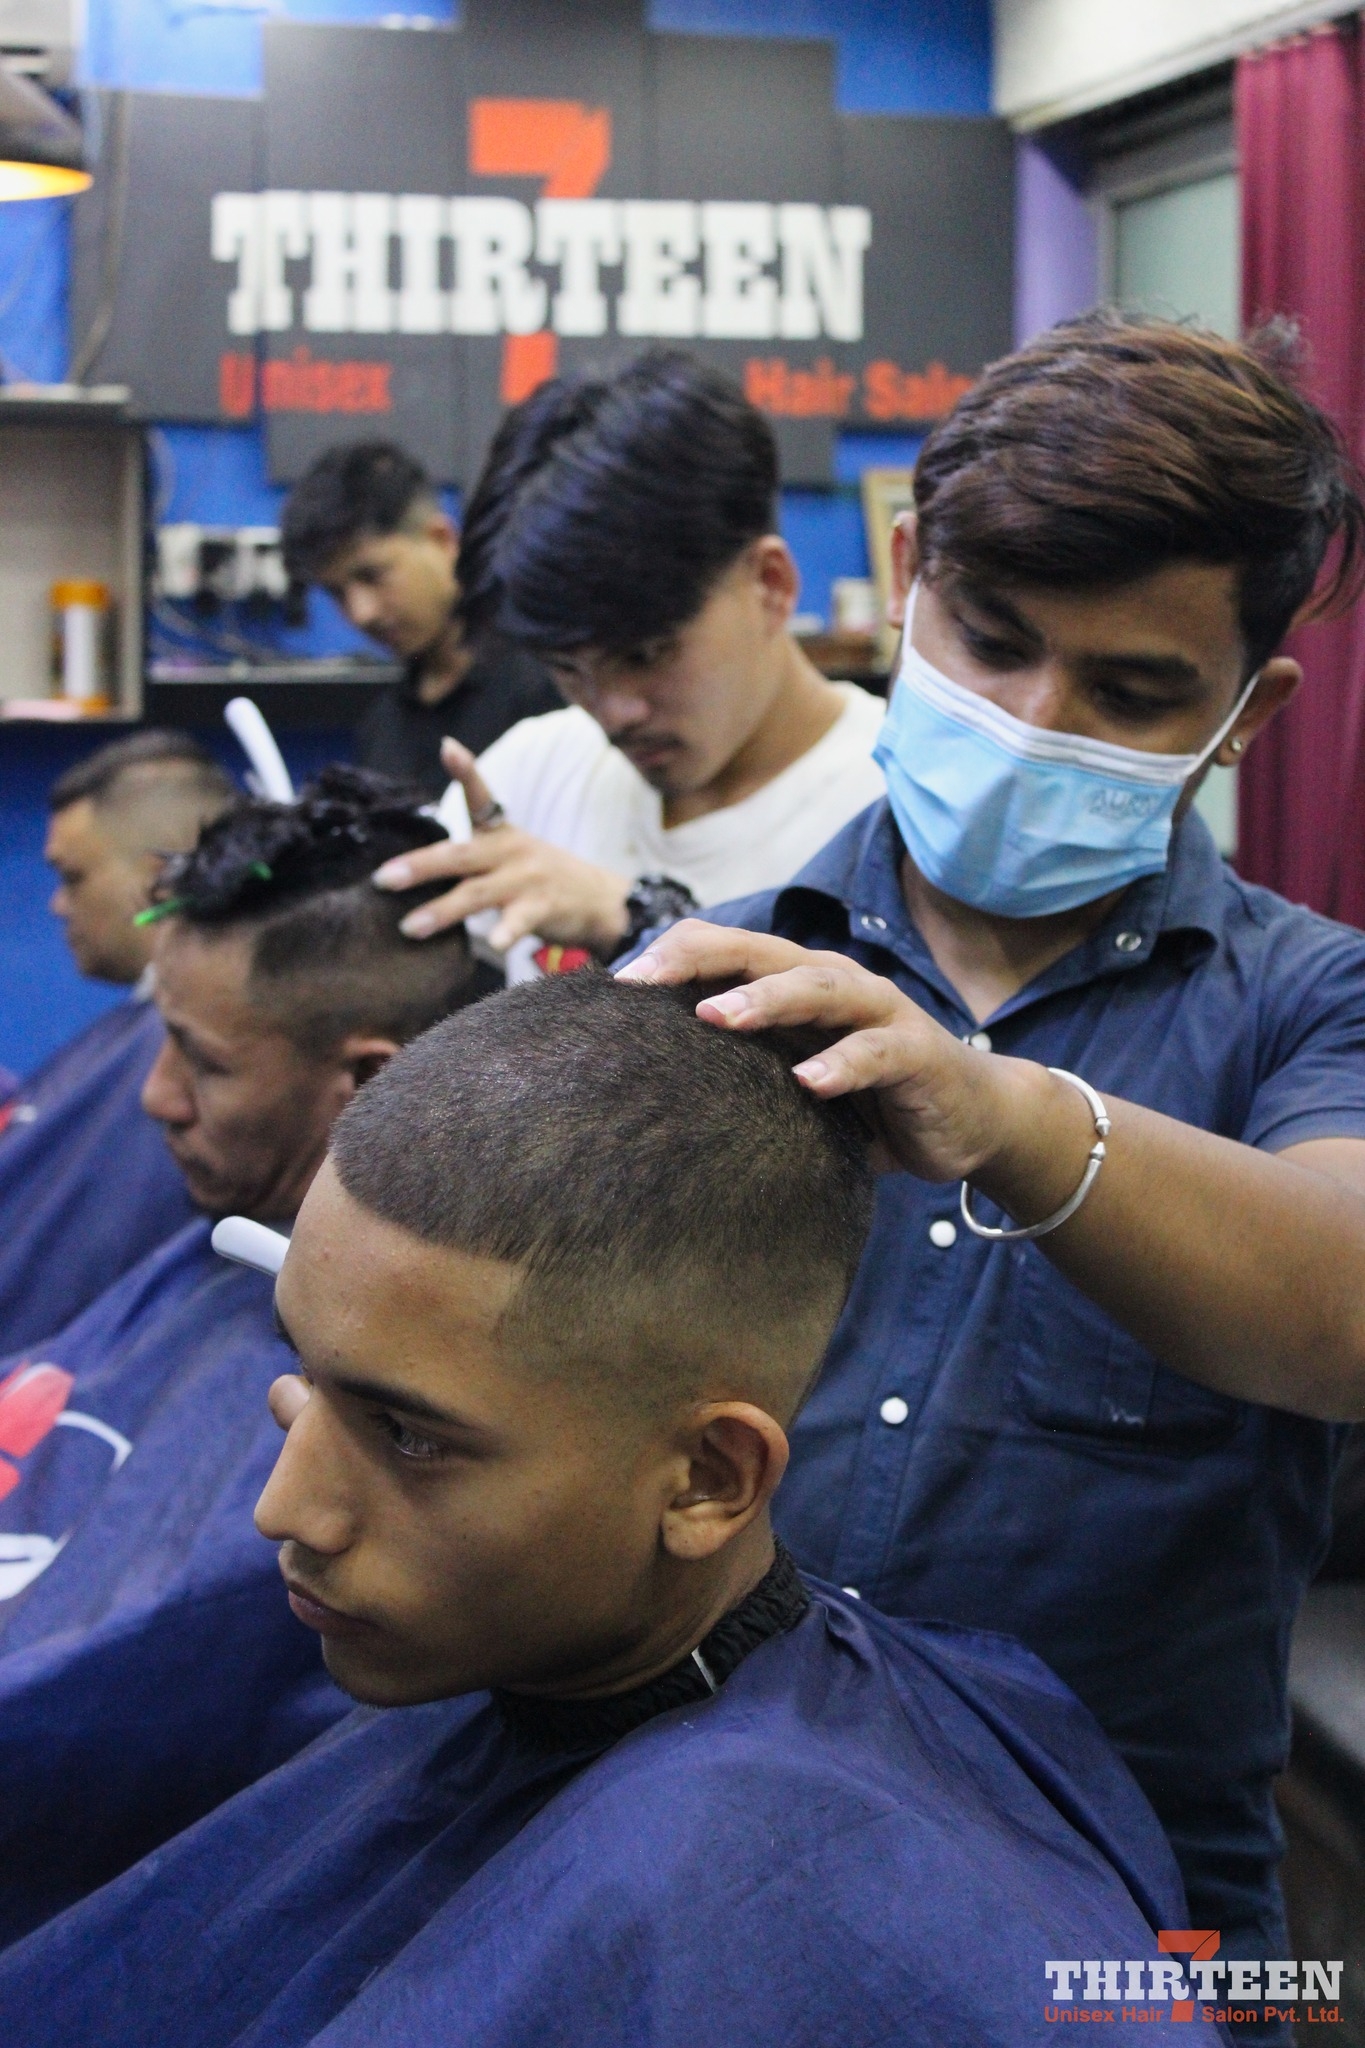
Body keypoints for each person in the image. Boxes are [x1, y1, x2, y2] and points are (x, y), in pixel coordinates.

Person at [0, 974, 1223, 2046]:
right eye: (304, 1377)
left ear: (708, 1479)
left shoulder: (808, 1895)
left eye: (410, 1433)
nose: (287, 1508)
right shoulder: (546, 1684)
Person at [615, 313, 1365, 2038]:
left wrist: (1007, 1117)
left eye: (1131, 691)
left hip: (1128, 1925)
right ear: (907, 581)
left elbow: (1344, 1307)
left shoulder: (1314, 1006)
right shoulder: (714, 981)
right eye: (995, 642)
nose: (1035, 722)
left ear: (1248, 712)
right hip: (683, 1861)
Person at [0, 768, 477, 1943]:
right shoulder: (211, 1256)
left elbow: (135, 1688)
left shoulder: (405, 1391)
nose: (156, 1098)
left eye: (202, 1062)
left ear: (369, 1080)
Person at [367, 351, 886, 976]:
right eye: (567, 668)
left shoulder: (896, 816)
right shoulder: (533, 773)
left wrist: (632, 920)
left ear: (770, 586)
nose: (614, 712)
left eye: (646, 654)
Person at [0, 732, 237, 1350]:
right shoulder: (131, 1035)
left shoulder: (165, 1061)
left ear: (160, 881)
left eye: (72, 877)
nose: (57, 904)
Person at [280, 440, 562, 799]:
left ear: (441, 540)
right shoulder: (380, 729)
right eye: (337, 592)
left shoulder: (551, 687)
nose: (361, 613)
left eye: (372, 575)